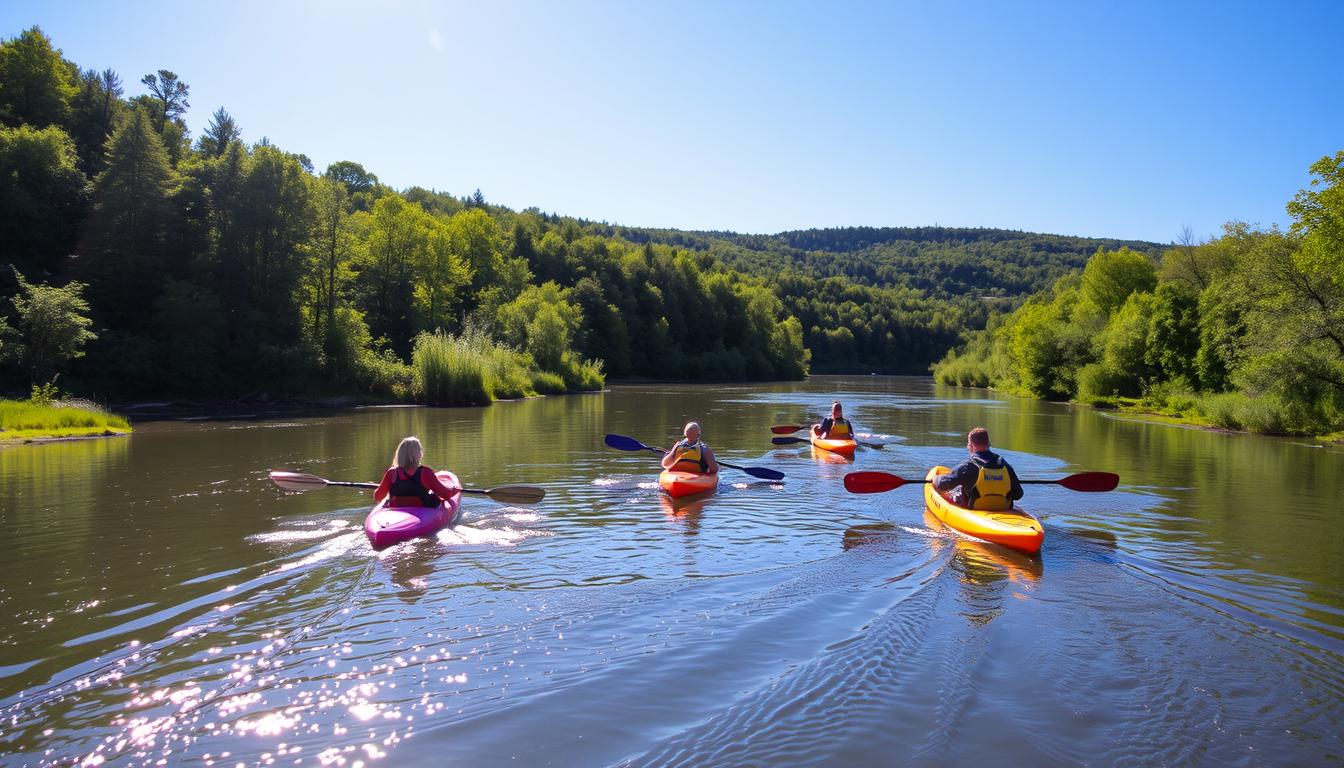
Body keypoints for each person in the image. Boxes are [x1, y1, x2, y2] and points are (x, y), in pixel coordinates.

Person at [933, 427, 1023, 510]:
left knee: (955, 493)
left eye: (968, 444)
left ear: (971, 445)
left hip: (975, 509)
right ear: (988, 444)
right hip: (1003, 508)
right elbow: (1018, 495)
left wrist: (935, 479)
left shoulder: (968, 466)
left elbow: (942, 484)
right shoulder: (1005, 465)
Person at [374, 436, 461, 507]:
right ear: (418, 454)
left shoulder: (391, 473)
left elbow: (378, 497)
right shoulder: (426, 473)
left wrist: (381, 488)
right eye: (420, 450)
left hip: (396, 510)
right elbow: (446, 495)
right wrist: (455, 490)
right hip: (422, 511)